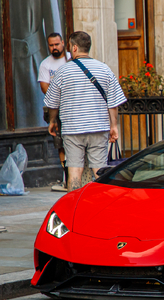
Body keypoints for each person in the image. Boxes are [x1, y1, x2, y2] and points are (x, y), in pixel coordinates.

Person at [44, 31, 127, 192]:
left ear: (74, 48)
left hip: (73, 129)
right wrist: (114, 126)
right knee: (100, 170)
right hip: (98, 127)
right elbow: (113, 102)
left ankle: (74, 208)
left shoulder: (63, 71)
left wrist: (53, 121)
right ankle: (103, 204)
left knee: (74, 170)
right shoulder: (104, 69)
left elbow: (52, 103)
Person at [38, 32, 71, 192]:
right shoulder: (46, 64)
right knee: (61, 145)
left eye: (57, 44)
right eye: (51, 45)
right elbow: (45, 88)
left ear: (63, 43)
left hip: (74, 109)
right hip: (57, 110)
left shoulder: (73, 59)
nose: (54, 48)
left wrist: (56, 88)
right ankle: (67, 178)